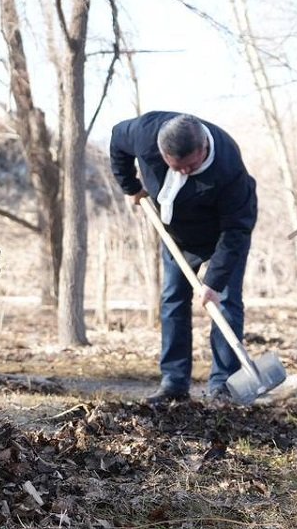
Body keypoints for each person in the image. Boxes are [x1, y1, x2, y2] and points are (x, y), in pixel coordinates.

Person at [109, 112, 258, 404]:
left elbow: (236, 227)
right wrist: (130, 186)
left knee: (225, 303)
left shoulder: (229, 166)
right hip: (177, 235)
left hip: (222, 236)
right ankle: (174, 383)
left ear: (203, 146)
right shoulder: (144, 133)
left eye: (191, 165)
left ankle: (223, 386)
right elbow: (116, 138)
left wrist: (213, 281)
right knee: (173, 299)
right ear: (161, 152)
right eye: (177, 166)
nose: (185, 172)